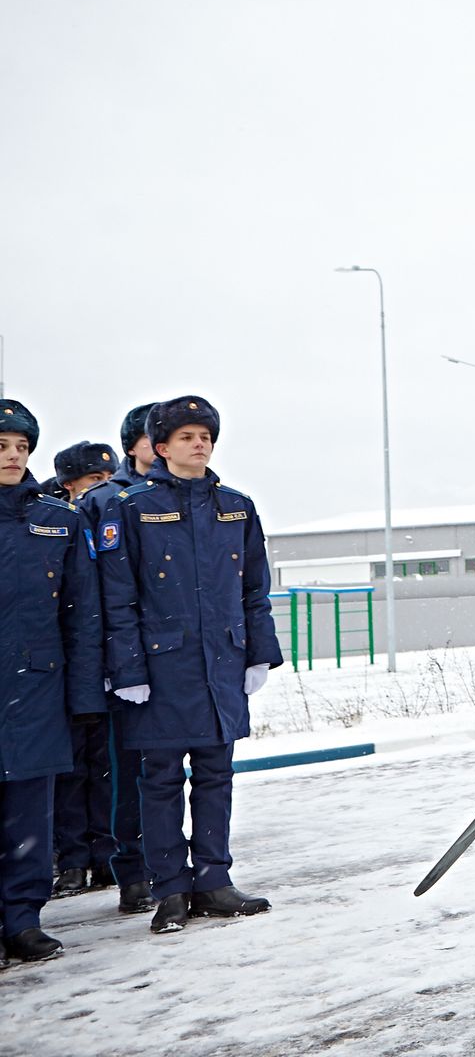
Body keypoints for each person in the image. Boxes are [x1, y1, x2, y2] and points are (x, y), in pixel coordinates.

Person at [97, 396, 283, 934]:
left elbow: (255, 589)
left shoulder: (236, 506)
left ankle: (213, 880)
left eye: (205, 436)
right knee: (159, 781)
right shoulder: (131, 508)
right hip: (161, 670)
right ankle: (170, 890)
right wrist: (128, 669)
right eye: (186, 437)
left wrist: (259, 653)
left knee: (216, 776)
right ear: (160, 448)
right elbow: (118, 597)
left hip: (221, 664)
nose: (199, 444)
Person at [0, 400, 106, 963]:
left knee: (29, 813)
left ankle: (22, 920)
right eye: (2, 447)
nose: (14, 456)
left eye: (21, 447)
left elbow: (83, 614)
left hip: (37, 687)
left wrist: (85, 696)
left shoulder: (58, 519)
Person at [79, 402, 158, 914]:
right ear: (134, 445)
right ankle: (131, 869)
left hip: (173, 659)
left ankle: (170, 864)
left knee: (166, 774)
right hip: (123, 660)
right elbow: (91, 592)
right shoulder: (105, 501)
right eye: (153, 436)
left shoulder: (189, 496)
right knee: (125, 771)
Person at [44, 442, 123, 899]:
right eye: (94, 480)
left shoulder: (117, 525)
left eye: (109, 479)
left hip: (107, 664)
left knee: (105, 766)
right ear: (69, 485)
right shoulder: (54, 526)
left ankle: (106, 854)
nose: (103, 489)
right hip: (65, 665)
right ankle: (72, 859)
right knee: (69, 770)